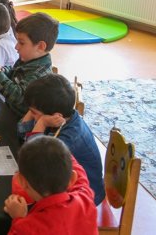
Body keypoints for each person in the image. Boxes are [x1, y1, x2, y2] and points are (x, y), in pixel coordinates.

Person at [18, 73, 105, 204]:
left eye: (34, 113)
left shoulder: (69, 138)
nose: (32, 115)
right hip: (59, 182)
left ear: (56, 116)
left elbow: (35, 161)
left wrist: (41, 123)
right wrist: (35, 113)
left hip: (82, 198)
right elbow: (21, 132)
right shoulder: (59, 117)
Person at [4, 136, 97, 234]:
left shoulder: (26, 228)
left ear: (21, 181)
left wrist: (18, 218)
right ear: (72, 178)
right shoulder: (85, 197)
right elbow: (78, 172)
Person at [0, 12, 59, 118]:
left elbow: (19, 98)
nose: (16, 47)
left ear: (40, 46)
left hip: (19, 123)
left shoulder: (39, 76)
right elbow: (14, 73)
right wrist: (4, 71)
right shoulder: (28, 59)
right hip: (9, 111)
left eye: (21, 42)